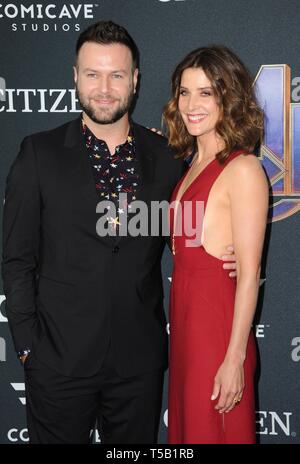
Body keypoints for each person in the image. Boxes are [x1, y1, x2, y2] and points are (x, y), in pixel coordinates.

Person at [2, 22, 237, 444]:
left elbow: (187, 227)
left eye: (117, 75)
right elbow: (17, 260)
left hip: (138, 363)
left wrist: (230, 253)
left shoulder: (167, 157)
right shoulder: (39, 154)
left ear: (135, 80)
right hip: (57, 360)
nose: (104, 88)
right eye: (93, 74)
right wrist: (27, 348)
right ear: (75, 77)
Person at [164, 45, 269, 444]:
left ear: (229, 96)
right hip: (188, 324)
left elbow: (249, 275)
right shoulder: (191, 163)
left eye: (206, 93)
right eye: (184, 92)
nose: (191, 104)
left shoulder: (243, 169)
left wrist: (234, 359)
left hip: (217, 329)